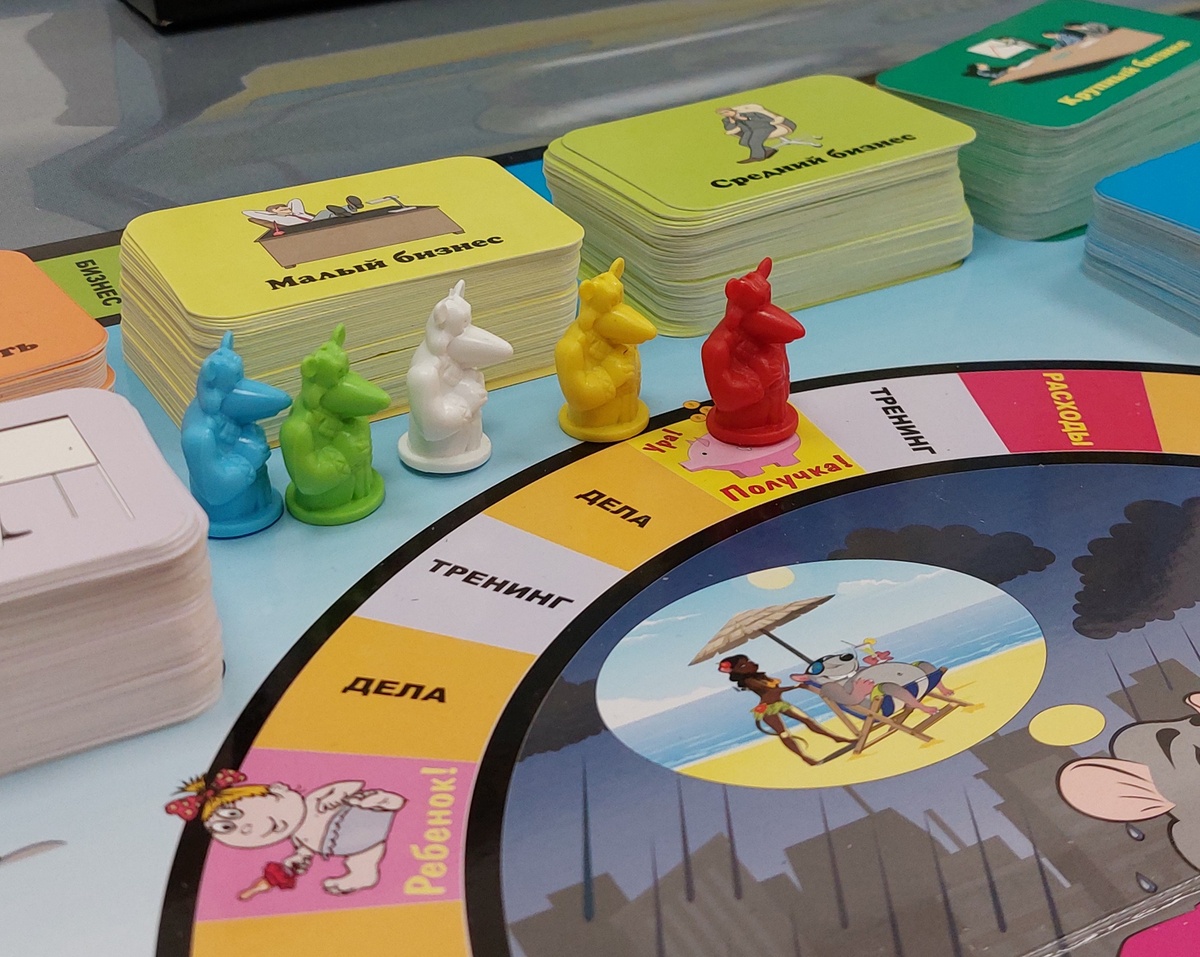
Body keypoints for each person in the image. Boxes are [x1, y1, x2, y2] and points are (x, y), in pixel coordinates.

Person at [165, 769, 406, 897]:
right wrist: (299, 858)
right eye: (227, 828)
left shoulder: (315, 800)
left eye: (234, 815)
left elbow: (348, 787)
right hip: (350, 845)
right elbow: (304, 850)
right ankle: (363, 874)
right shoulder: (299, 837)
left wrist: (344, 797)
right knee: (363, 859)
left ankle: (385, 801)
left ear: (279, 790)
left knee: (371, 803)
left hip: (358, 817)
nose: (246, 827)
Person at [718, 654, 853, 765]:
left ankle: (835, 737)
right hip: (767, 709)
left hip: (780, 704)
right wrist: (795, 687)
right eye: (743, 665)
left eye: (748, 661)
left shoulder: (761, 676)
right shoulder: (750, 681)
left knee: (807, 720)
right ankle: (805, 757)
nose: (750, 664)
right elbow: (772, 691)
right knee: (784, 733)